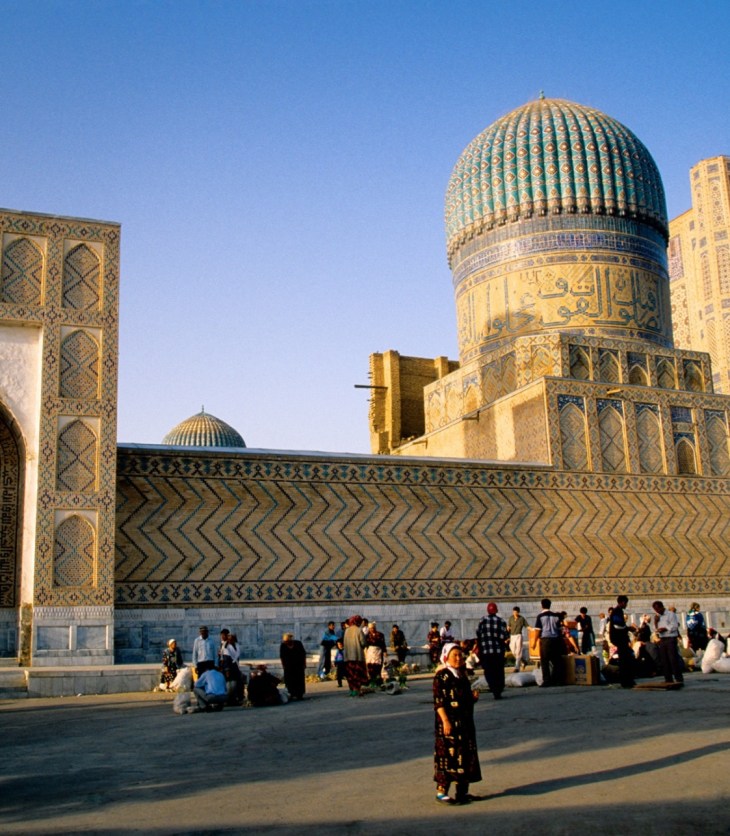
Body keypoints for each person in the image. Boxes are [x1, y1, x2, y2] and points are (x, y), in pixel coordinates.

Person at [433, 642, 482, 805]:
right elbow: (439, 702)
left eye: (460, 655)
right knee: (448, 755)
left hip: (465, 723)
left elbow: (463, 698)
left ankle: (462, 792)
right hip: (449, 723)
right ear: (446, 657)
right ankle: (442, 791)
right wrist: (445, 721)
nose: (458, 658)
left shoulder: (461, 675)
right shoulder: (442, 675)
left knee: (465, 755)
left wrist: (472, 698)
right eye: (455, 655)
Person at [476, 602, 509, 700]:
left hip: (486, 652)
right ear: (496, 610)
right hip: (498, 651)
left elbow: (478, 633)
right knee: (499, 671)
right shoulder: (501, 621)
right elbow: (504, 636)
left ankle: (493, 687)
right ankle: (498, 690)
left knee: (489, 671)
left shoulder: (482, 620)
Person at [653, 601, 684, 686]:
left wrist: (665, 629)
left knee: (673, 659)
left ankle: (678, 678)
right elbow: (656, 629)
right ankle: (668, 678)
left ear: (661, 607)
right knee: (664, 659)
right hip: (662, 639)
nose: (657, 611)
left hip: (671, 638)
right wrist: (655, 622)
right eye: (655, 610)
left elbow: (674, 626)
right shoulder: (657, 617)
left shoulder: (671, 614)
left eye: (657, 609)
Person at [609, 595, 637, 688]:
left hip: (620, 639)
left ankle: (627, 680)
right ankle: (626, 681)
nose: (626, 605)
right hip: (620, 639)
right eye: (626, 603)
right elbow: (617, 625)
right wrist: (628, 628)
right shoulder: (617, 611)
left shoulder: (617, 611)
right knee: (625, 660)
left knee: (625, 659)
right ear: (623, 602)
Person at [534, 598, 564, 686]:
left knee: (545, 661)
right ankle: (557, 680)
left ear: (542, 605)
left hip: (545, 640)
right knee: (556, 661)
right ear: (550, 605)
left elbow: (538, 631)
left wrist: (534, 642)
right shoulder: (556, 616)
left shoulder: (540, 616)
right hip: (555, 640)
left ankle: (547, 681)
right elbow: (560, 629)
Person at [343, 615, 368, 696]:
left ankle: (351, 689)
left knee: (350, 673)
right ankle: (356, 689)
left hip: (348, 656)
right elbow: (363, 643)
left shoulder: (346, 631)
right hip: (357, 656)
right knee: (357, 673)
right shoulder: (358, 630)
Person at [279, 632, 307, 700]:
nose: (286, 642)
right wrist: (283, 665)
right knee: (289, 680)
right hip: (288, 666)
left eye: (287, 641)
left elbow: (303, 654)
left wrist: (304, 663)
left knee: (299, 679)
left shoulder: (298, 643)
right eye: (285, 641)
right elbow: (282, 657)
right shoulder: (283, 646)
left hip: (298, 665)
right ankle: (291, 694)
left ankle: (299, 694)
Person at [220, 633, 244, 705]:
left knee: (238, 682)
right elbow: (226, 659)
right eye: (229, 639)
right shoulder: (226, 646)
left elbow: (237, 656)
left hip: (235, 665)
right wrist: (227, 670)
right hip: (229, 667)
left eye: (232, 639)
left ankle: (238, 698)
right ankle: (230, 699)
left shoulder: (236, 645)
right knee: (230, 684)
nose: (230, 640)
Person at [365, 621, 387, 686]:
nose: (372, 629)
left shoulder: (380, 635)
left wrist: (385, 651)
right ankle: (372, 681)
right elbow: (365, 645)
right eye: (370, 628)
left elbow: (383, 644)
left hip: (378, 652)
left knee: (378, 667)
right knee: (371, 667)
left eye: (373, 628)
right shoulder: (367, 636)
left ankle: (379, 682)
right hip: (370, 653)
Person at [507, 607, 527, 672]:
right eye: (514, 612)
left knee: (518, 651)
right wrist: (508, 628)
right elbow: (508, 626)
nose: (515, 613)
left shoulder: (521, 619)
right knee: (513, 650)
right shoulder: (511, 618)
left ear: (518, 612)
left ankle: (517, 667)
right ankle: (523, 661)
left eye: (516, 612)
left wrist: (532, 629)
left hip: (519, 635)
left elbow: (527, 626)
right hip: (512, 636)